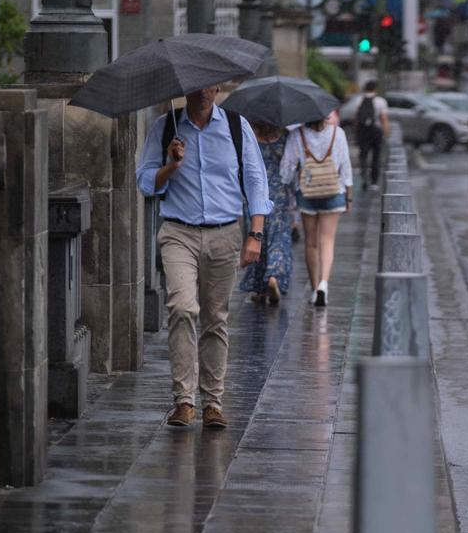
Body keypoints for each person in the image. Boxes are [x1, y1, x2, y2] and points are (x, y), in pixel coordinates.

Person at [136, 86, 271, 429]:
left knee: (215, 318)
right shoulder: (166, 127)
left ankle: (212, 402)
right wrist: (170, 165)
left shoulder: (237, 127)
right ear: (186, 90)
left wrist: (255, 234)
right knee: (181, 308)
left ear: (218, 88)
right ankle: (183, 400)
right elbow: (145, 184)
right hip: (178, 232)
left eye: (211, 85)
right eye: (197, 86)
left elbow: (256, 180)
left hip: (225, 233)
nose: (205, 92)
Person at [280, 113, 354, 306]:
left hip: (307, 193)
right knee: (328, 241)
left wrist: (287, 185)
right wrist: (349, 195)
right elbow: (346, 166)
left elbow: (287, 168)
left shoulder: (297, 135)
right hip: (333, 191)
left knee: (311, 243)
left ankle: (314, 289)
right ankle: (324, 284)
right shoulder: (338, 134)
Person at [239, 122, 295, 305]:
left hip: (255, 197)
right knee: (279, 239)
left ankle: (260, 287)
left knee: (257, 237)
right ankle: (274, 277)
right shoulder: (286, 138)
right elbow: (292, 166)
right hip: (280, 195)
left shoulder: (251, 138)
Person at [355, 81, 389, 188]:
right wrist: (386, 132)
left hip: (363, 131)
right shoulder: (380, 101)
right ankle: (374, 182)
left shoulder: (359, 100)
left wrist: (356, 132)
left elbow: (356, 118)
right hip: (376, 131)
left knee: (363, 155)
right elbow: (383, 118)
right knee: (376, 156)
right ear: (375, 89)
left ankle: (364, 178)